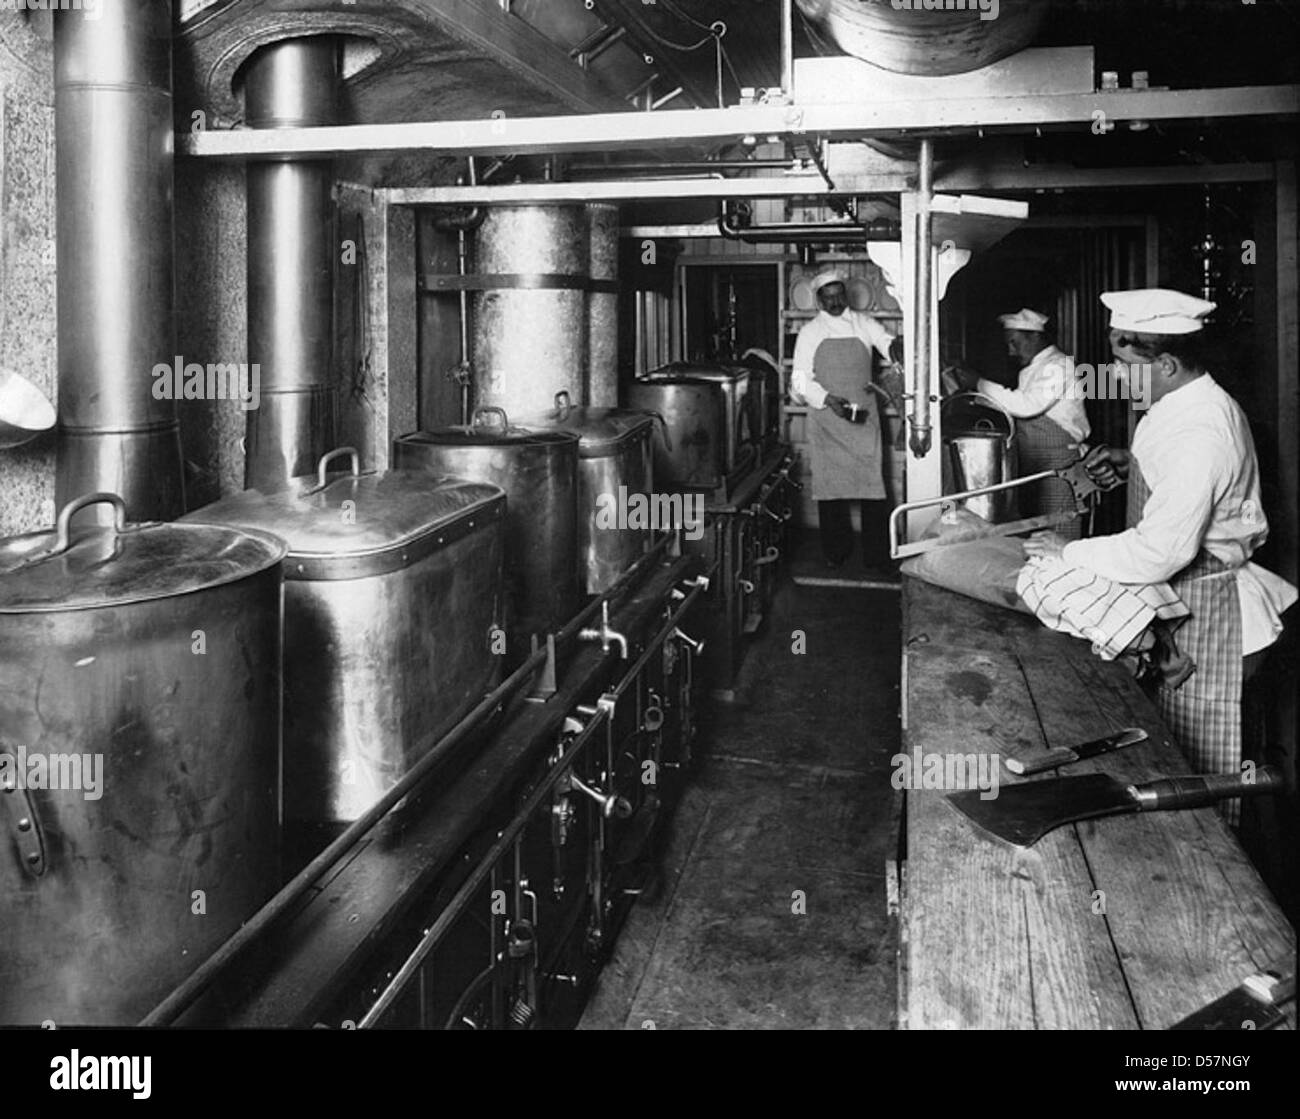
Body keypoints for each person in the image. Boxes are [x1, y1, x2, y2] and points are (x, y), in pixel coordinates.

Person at [1023, 288, 1296, 823]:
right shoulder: (1178, 404)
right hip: (1187, 610)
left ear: (1166, 363)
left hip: (1216, 623)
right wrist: (1132, 465)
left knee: (1201, 785)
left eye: (1125, 366)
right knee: (1173, 759)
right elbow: (1183, 484)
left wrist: (1069, 550)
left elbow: (1160, 552)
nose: (1115, 377)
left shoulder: (1201, 431)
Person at [791, 270, 901, 572]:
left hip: (863, 419)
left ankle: (877, 556)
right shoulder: (809, 332)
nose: (836, 302)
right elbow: (799, 382)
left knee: (874, 489)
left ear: (846, 294)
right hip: (827, 420)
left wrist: (899, 350)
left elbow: (887, 343)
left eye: (839, 295)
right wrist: (827, 399)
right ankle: (836, 552)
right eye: (828, 298)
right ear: (819, 300)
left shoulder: (864, 324)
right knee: (831, 491)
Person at [953, 308, 1090, 538]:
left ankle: (1061, 572)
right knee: (1036, 526)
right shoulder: (1034, 368)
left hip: (1058, 461)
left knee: (1059, 526)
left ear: (1035, 337)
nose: (1011, 350)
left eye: (1015, 343)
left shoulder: (1058, 366)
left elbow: (1027, 406)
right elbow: (1015, 404)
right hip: (1037, 460)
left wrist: (979, 384)